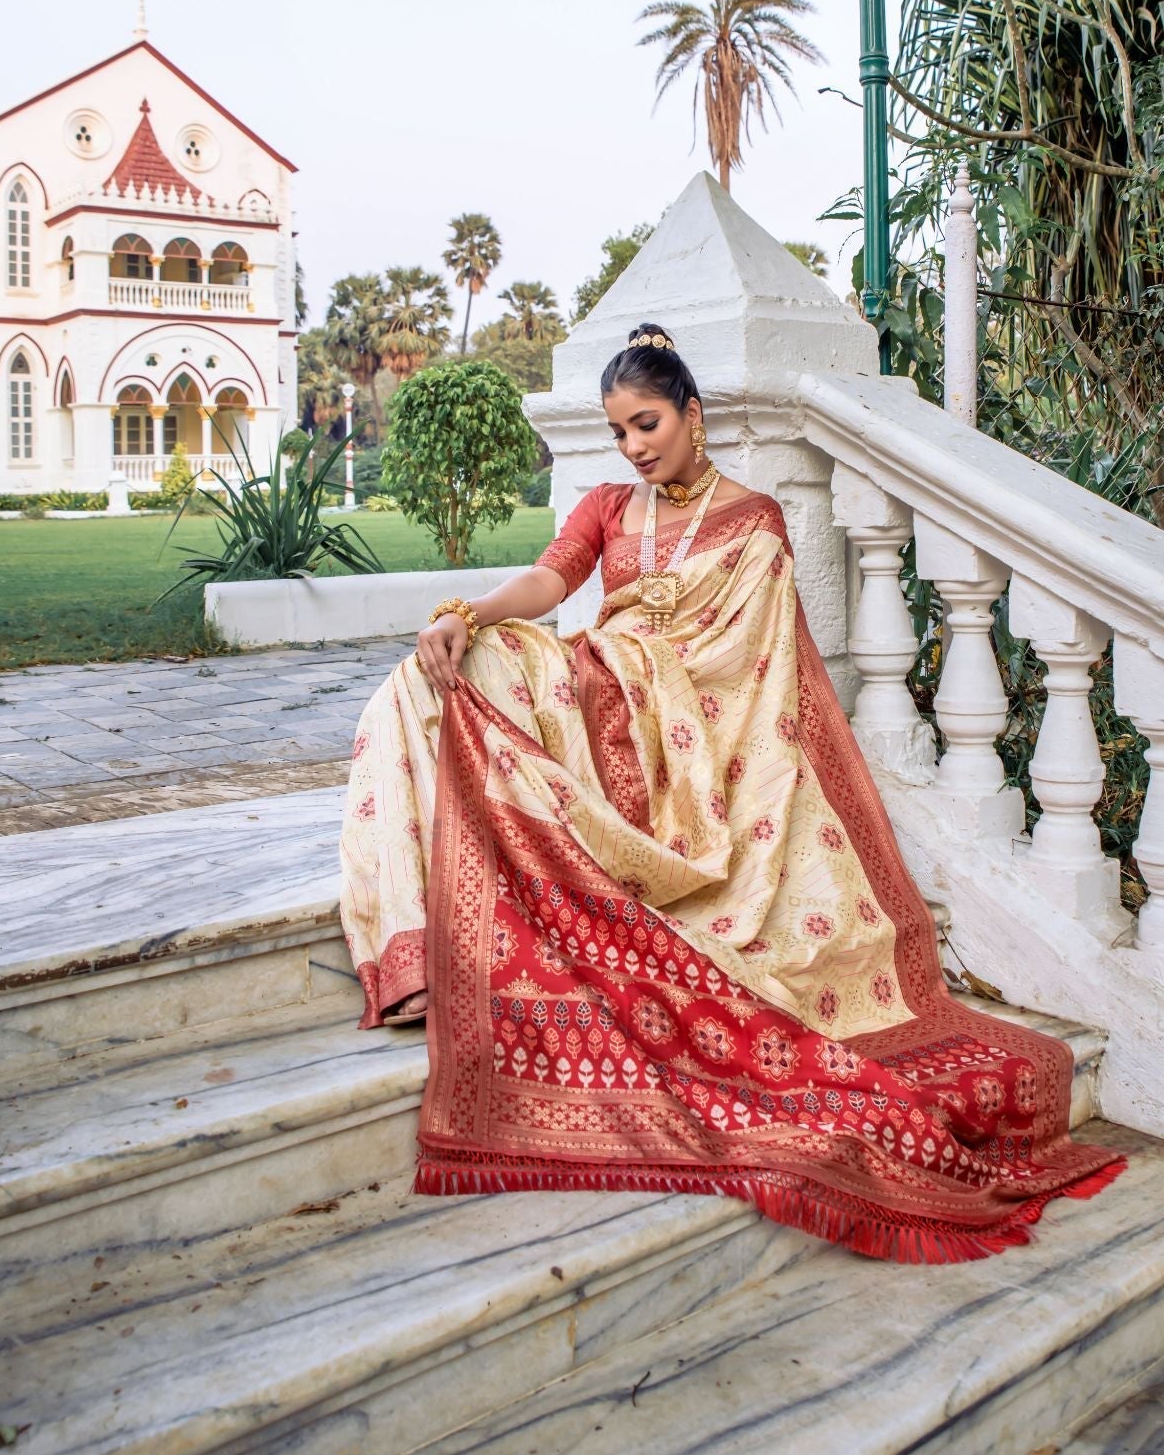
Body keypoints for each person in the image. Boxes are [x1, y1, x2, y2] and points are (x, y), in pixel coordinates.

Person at [340, 326, 1123, 1262]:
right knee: (426, 679)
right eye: (620, 430)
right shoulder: (606, 506)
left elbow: (759, 664)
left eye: (648, 423)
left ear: (692, 415)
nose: (634, 446)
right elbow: (554, 581)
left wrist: (662, 680)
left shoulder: (753, 518)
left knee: (531, 682)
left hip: (706, 723)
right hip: (605, 683)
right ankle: (415, 951)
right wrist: (469, 614)